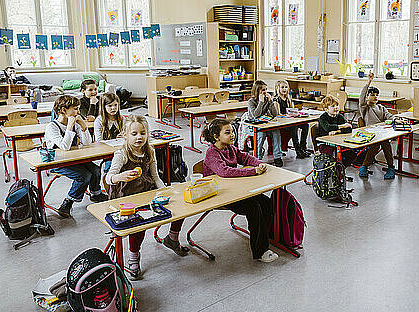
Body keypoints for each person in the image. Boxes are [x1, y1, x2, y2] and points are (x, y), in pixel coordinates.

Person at [106, 115, 189, 280]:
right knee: (139, 227)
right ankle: (133, 258)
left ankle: (172, 238)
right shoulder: (121, 154)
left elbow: (156, 177)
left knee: (180, 208)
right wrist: (120, 176)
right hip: (126, 198)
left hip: (147, 192)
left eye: (142, 133)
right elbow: (109, 178)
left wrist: (166, 192)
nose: (139, 137)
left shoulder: (149, 151)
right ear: (125, 135)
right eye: (134, 133)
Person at [202, 118, 278, 263]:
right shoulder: (212, 153)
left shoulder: (229, 148)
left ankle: (266, 236)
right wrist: (253, 171)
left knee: (266, 202)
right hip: (220, 194)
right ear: (216, 136)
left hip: (236, 190)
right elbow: (224, 172)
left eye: (232, 131)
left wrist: (260, 163)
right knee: (253, 208)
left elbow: (245, 157)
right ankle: (260, 251)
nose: (232, 135)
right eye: (228, 132)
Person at [44, 95, 107, 218]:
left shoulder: (75, 124)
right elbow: (64, 146)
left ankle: (95, 193)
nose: (78, 112)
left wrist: (83, 127)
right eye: (75, 109)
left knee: (95, 169)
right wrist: (69, 127)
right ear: (63, 110)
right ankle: (67, 203)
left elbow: (87, 143)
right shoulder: (52, 127)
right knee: (84, 176)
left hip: (74, 159)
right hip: (57, 162)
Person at [358, 72, 397, 180]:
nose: (375, 97)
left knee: (385, 142)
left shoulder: (381, 107)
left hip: (381, 132)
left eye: (376, 95)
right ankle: (365, 166)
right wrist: (369, 82)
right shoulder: (365, 107)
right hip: (369, 133)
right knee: (378, 143)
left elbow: (389, 116)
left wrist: (396, 119)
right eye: (372, 95)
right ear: (367, 97)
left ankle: (390, 167)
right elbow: (361, 97)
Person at [248, 80, 283, 167]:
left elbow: (275, 114)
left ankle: (277, 157)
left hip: (265, 124)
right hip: (254, 126)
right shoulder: (251, 101)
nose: (265, 92)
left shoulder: (267, 99)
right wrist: (261, 102)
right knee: (261, 134)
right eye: (263, 90)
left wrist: (270, 102)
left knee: (276, 132)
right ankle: (258, 158)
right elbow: (256, 115)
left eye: (266, 89)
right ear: (257, 91)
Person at [274, 80, 310, 159]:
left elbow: (292, 110)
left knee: (305, 125)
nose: (284, 89)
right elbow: (278, 114)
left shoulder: (288, 98)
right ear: (277, 88)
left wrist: (295, 113)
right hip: (282, 123)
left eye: (286, 87)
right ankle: (297, 150)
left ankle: (303, 147)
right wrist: (287, 116)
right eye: (282, 87)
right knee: (294, 127)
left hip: (290, 120)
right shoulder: (276, 100)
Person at [317, 95, 356, 166]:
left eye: (337, 105)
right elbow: (328, 128)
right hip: (325, 143)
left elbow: (349, 129)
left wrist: (337, 131)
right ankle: (334, 171)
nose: (336, 108)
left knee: (351, 153)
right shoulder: (322, 118)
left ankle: (340, 170)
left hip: (338, 142)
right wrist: (341, 126)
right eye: (333, 106)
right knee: (333, 155)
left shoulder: (340, 116)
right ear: (326, 109)